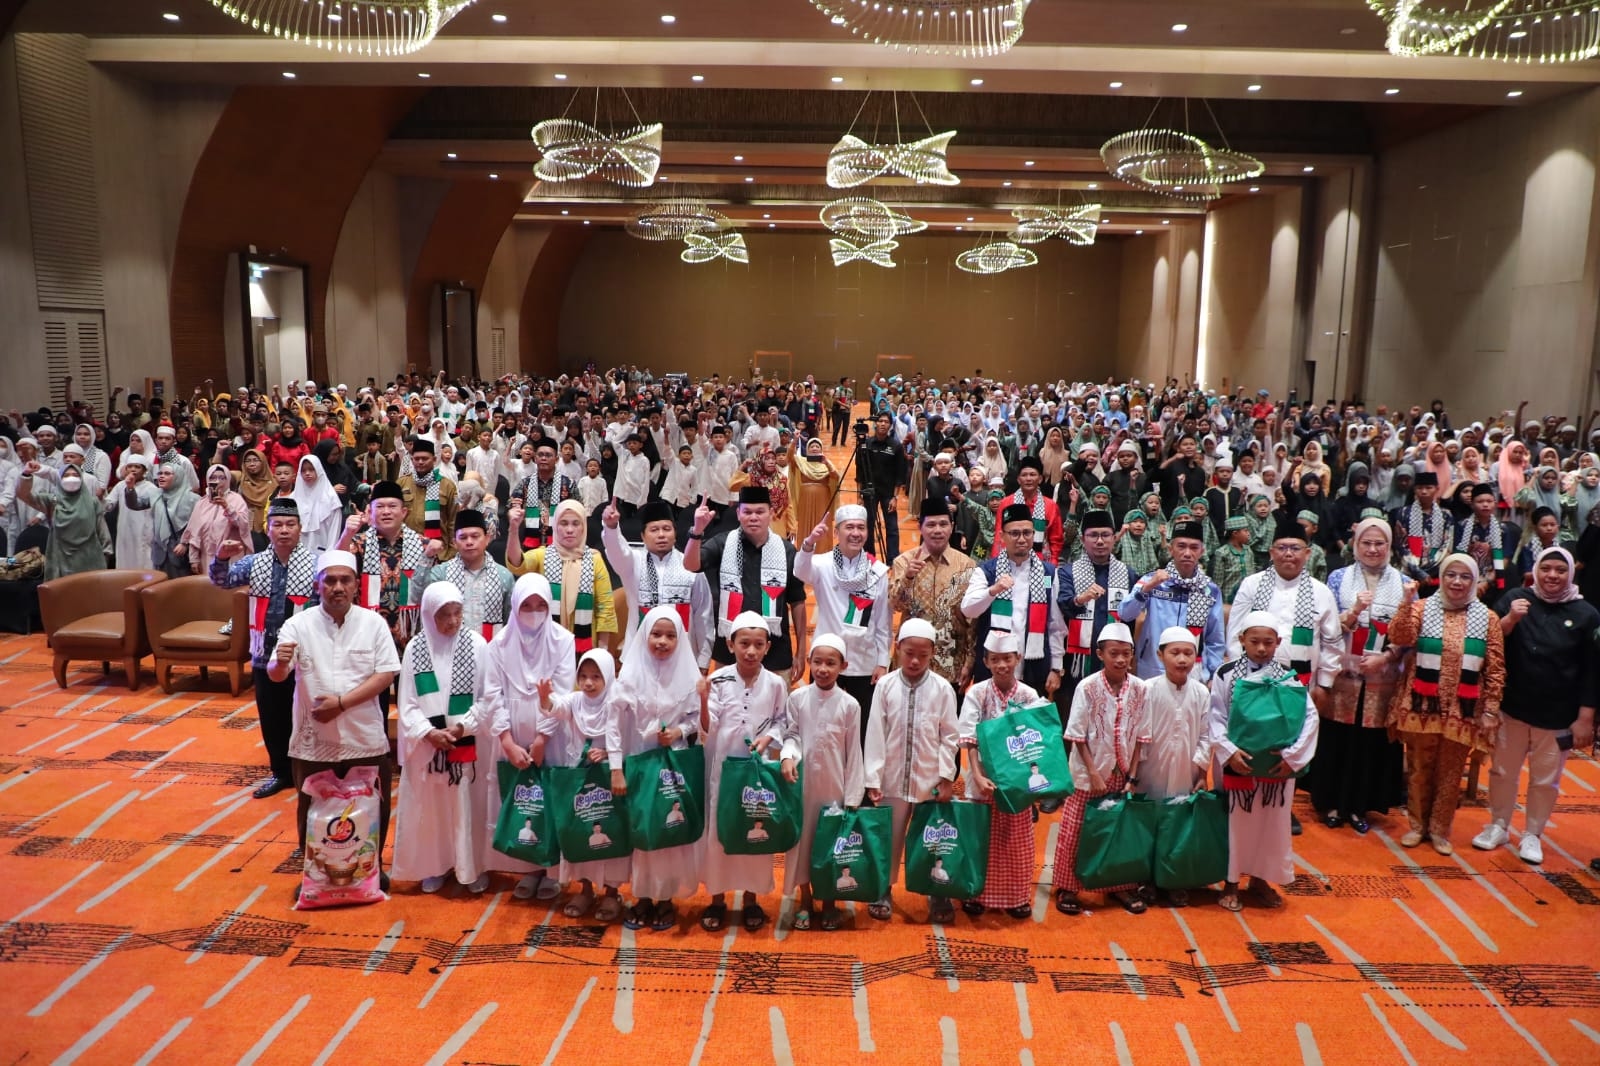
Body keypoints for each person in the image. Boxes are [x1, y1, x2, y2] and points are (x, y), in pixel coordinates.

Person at [267, 549, 401, 897]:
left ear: (357, 585)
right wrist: (279, 664)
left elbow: (386, 673)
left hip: (364, 736)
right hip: (314, 738)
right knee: (312, 806)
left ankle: (372, 870)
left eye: (345, 580)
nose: (337, 587)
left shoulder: (373, 624)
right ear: (318, 585)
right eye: (330, 580)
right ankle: (315, 874)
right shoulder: (298, 624)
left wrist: (341, 704)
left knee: (372, 803)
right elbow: (278, 676)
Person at [1473, 546, 1600, 864]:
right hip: (1511, 707)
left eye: (1560, 570)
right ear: (1536, 570)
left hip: (1558, 714)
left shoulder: (1587, 615)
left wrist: (1585, 718)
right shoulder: (1515, 599)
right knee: (1502, 771)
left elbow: (1593, 671)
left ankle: (1532, 834)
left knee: (1545, 780)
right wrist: (1511, 619)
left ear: (1571, 573)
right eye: (1546, 568)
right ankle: (1498, 825)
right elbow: (1488, 645)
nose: (1552, 575)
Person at [1387, 555, 1505, 854]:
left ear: (1475, 580)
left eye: (1465, 576)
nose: (1457, 582)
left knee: (1450, 772)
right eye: (1451, 575)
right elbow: (1400, 636)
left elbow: (1495, 668)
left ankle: (1440, 830)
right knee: (1418, 768)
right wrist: (1405, 601)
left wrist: (1491, 709)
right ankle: (1417, 827)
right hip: (1421, 706)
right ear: (1442, 576)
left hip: (1463, 710)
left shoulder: (1487, 618)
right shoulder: (1421, 608)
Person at [1210, 612, 1319, 912]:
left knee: (1273, 825)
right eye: (1254, 641)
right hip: (1238, 762)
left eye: (1268, 642)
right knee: (1236, 824)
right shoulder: (1226, 674)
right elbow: (1215, 717)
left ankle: (1261, 880)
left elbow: (1309, 718)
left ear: (1278, 643)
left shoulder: (1289, 677)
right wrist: (1229, 751)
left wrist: (1292, 757)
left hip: (1277, 768)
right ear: (1241, 640)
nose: (1261, 648)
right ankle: (1230, 883)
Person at [211, 498, 319, 799]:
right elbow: (222, 581)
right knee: (272, 718)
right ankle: (280, 773)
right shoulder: (253, 562)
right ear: (267, 528)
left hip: (304, 655)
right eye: (278, 525)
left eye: (290, 524)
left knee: (307, 716)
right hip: (264, 654)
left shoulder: (315, 564)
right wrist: (220, 558)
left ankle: (308, 772)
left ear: (300, 529)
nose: (284, 531)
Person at [610, 607, 707, 933]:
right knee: (643, 830)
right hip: (639, 763)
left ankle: (666, 898)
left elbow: (697, 720)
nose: (662, 642)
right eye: (656, 634)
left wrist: (678, 733)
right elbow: (613, 724)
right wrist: (615, 768)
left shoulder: (689, 676)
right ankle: (644, 897)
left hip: (673, 767)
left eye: (670, 635)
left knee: (671, 831)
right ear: (644, 635)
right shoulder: (630, 676)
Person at [391, 583, 492, 893]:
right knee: (431, 811)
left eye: (457, 613)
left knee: (466, 807)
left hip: (467, 745)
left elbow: (488, 698)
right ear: (428, 615)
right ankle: (433, 866)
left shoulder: (476, 644)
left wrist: (462, 728)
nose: (452, 621)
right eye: (444, 615)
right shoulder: (415, 648)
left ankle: (470, 867)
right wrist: (429, 733)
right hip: (428, 749)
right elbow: (406, 702)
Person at [483, 573, 577, 901]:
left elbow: (564, 690)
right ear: (514, 606)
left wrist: (542, 738)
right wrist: (507, 741)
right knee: (521, 801)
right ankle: (527, 868)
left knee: (550, 801)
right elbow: (491, 695)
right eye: (527, 605)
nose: (535, 611)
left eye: (541, 605)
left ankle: (552, 871)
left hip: (551, 734)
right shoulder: (498, 644)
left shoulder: (563, 640)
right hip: (511, 731)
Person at [862, 618, 961, 923]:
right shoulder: (886, 686)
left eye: (923, 654)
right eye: (909, 653)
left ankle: (936, 891)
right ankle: (883, 888)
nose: (915, 660)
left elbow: (950, 737)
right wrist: (872, 778)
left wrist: (946, 777)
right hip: (892, 778)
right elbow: (876, 732)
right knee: (889, 838)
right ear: (897, 648)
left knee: (933, 838)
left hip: (929, 779)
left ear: (933, 652)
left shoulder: (943, 689)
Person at [1314, 517, 1408, 834]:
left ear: (1389, 546)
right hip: (1343, 675)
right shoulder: (1339, 578)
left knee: (1369, 744)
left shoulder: (1403, 583)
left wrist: (1386, 657)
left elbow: (1411, 633)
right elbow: (1326, 625)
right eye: (1366, 543)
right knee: (1338, 740)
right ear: (1355, 546)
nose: (1372, 549)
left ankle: (1358, 806)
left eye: (1379, 543)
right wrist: (1352, 612)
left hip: (1382, 677)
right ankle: (1332, 802)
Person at [699, 612, 789, 933]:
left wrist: (770, 738)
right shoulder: (718, 680)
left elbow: (782, 721)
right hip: (724, 771)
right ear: (730, 644)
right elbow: (707, 725)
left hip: (756, 773)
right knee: (721, 834)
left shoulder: (777, 683)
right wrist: (702, 702)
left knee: (755, 828)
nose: (750, 651)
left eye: (758, 645)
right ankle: (717, 900)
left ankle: (751, 900)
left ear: (767, 647)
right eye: (744, 644)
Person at [1052, 622, 1150, 916]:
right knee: (1077, 828)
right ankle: (1068, 886)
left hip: (1122, 773)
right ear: (1100, 654)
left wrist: (1132, 775)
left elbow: (1141, 737)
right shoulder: (1088, 686)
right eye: (1113, 653)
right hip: (1089, 773)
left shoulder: (1140, 688)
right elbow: (1077, 734)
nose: (1120, 660)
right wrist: (1093, 773)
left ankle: (1117, 884)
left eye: (1125, 654)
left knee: (1116, 830)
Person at [778, 633, 864, 932]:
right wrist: (787, 757)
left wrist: (853, 797)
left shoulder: (850, 705)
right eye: (817, 662)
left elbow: (853, 753)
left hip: (834, 789)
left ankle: (828, 902)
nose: (823, 669)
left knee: (830, 846)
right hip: (802, 787)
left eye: (830, 663)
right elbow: (790, 735)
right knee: (802, 845)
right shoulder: (798, 698)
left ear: (843, 665)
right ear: (809, 663)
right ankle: (805, 901)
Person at [956, 631, 1041, 920]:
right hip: (984, 778)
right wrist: (977, 777)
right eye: (995, 660)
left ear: (1018, 658)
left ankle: (1017, 897)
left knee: (1016, 840)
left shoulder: (1029, 695)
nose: (1002, 665)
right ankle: (976, 892)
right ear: (986, 661)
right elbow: (967, 738)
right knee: (981, 838)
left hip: (1018, 780)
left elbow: (1036, 741)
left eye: (1007, 658)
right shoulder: (977, 693)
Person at [686, 485, 808, 680]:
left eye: (760, 512)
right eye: (747, 512)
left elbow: (797, 601)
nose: (753, 517)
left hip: (775, 648)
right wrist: (697, 531)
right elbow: (691, 565)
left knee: (775, 710)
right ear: (738, 513)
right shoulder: (723, 543)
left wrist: (801, 651)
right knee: (726, 708)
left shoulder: (787, 551)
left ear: (771, 513)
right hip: (731, 648)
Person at [541, 649, 628, 922]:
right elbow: (555, 708)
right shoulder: (576, 700)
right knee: (580, 831)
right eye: (583, 676)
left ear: (608, 677)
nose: (588, 683)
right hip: (579, 778)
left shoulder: (617, 701)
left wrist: (607, 755)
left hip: (608, 780)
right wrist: (544, 697)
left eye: (595, 677)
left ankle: (613, 893)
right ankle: (586, 889)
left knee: (611, 831)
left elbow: (626, 736)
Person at [796, 504, 892, 731]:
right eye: (849, 527)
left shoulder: (877, 570)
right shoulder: (821, 563)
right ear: (836, 532)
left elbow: (882, 621)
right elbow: (800, 571)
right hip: (826, 660)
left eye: (861, 527)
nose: (856, 533)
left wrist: (882, 661)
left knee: (862, 726)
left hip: (864, 660)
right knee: (820, 724)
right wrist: (809, 543)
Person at [1140, 627, 1214, 906]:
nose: (1182, 659)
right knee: (1149, 824)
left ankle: (1173, 880)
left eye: (1188, 653)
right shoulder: (1147, 689)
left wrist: (1200, 770)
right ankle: (1145, 879)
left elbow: (1207, 735)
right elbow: (1140, 734)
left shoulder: (1201, 693)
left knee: (1177, 826)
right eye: (1175, 653)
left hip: (1186, 770)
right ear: (1160, 655)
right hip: (1151, 772)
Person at [962, 502, 1066, 695]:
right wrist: (993, 590)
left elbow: (1055, 623)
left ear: (1034, 535)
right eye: (1014, 533)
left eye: (1027, 533)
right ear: (1002, 537)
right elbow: (968, 609)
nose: (1021, 539)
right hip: (994, 666)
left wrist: (1055, 668)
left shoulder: (1047, 574)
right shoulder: (987, 571)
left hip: (1034, 666)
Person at [602, 497, 713, 666]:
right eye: (654, 530)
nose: (661, 534)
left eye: (666, 529)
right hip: (638, 657)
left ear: (675, 534)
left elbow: (703, 616)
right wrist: (611, 528)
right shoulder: (632, 563)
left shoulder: (690, 566)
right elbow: (617, 551)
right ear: (643, 536)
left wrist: (703, 661)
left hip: (681, 658)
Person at [508, 498, 618, 657]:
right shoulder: (543, 555)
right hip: (545, 648)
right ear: (555, 526)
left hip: (585, 649)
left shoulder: (595, 559)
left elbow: (605, 609)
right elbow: (517, 563)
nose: (570, 529)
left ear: (583, 527)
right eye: (564, 523)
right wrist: (513, 530)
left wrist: (601, 654)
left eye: (575, 523)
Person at [1119, 519, 1225, 682]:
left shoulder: (1209, 589)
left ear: (1202, 551)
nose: (1187, 553)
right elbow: (1125, 614)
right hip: (1152, 668)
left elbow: (1215, 639)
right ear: (1170, 549)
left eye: (1194, 547)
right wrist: (1147, 588)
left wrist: (1211, 675)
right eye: (1181, 546)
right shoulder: (1151, 580)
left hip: (1193, 672)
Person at [889, 497, 979, 689]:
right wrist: (908, 578)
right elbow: (895, 606)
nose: (937, 530)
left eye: (943, 524)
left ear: (952, 526)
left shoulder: (967, 565)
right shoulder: (903, 562)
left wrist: (970, 661)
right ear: (921, 528)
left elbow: (972, 620)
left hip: (952, 663)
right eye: (931, 525)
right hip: (911, 662)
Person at [1050, 509, 1131, 697]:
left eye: (1105, 535)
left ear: (1114, 537)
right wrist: (1081, 598)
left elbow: (1132, 618)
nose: (1100, 541)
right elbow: (1062, 606)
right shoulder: (1067, 572)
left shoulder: (1127, 573)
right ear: (1082, 538)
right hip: (1077, 662)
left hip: (1116, 660)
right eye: (1093, 535)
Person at [15, 460, 107, 578]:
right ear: (59, 479)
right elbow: (24, 495)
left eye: (75, 475)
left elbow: (103, 532)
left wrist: (106, 555)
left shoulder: (93, 502)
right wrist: (26, 474)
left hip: (89, 560)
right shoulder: (52, 501)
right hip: (61, 559)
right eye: (66, 475)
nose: (71, 479)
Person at [991, 456, 1064, 564]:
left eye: (1032, 474)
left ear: (1040, 479)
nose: (1028, 478)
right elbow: (999, 535)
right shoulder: (1006, 503)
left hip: (1043, 562)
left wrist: (1052, 565)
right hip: (1010, 560)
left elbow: (1056, 540)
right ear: (1018, 480)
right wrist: (996, 562)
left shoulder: (1051, 506)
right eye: (1024, 475)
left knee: (1048, 581)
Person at [179, 464, 250, 575]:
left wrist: (226, 506)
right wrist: (194, 559)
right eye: (213, 478)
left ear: (228, 479)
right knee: (209, 589)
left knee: (228, 588)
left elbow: (243, 525)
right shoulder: (201, 503)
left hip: (231, 556)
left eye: (222, 478)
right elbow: (194, 532)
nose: (217, 481)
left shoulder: (236, 499)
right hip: (206, 556)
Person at [508, 439, 574, 553]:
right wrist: (514, 511)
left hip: (562, 544)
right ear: (535, 458)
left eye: (548, 455)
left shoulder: (568, 484)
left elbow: (578, 511)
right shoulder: (525, 483)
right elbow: (511, 505)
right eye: (540, 455)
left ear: (557, 459)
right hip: (530, 543)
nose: (544, 458)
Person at [1453, 483, 1518, 595]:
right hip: (1466, 579)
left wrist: (1487, 581)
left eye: (1489, 501)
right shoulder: (1462, 526)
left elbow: (1505, 558)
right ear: (1472, 504)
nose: (1485, 505)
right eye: (1480, 502)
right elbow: (1457, 556)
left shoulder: (1503, 529)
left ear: (1495, 504)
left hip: (1493, 580)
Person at [859, 412, 907, 561]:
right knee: (868, 525)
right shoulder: (866, 444)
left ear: (890, 425)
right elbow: (860, 471)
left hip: (888, 493)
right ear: (875, 423)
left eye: (886, 422)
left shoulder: (896, 446)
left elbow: (900, 473)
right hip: (869, 492)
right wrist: (859, 496)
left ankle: (892, 558)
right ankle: (869, 557)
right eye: (880, 421)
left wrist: (895, 497)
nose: (882, 424)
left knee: (892, 527)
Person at [1394, 470, 1450, 590]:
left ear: (1437, 489)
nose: (1424, 491)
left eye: (1428, 487)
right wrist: (1417, 571)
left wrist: (1430, 569)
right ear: (1414, 489)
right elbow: (1401, 546)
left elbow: (1447, 545)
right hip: (1409, 573)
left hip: (1436, 574)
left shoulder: (1446, 515)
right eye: (1420, 488)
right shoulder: (1404, 513)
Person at [400, 438, 458, 553]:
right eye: (417, 459)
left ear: (434, 460)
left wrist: (451, 552)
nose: (420, 462)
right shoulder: (402, 483)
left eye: (425, 458)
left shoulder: (447, 486)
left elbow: (453, 521)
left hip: (439, 551)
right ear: (412, 460)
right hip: (407, 550)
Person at [104, 456, 159, 567]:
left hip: (143, 529)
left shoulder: (151, 488)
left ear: (144, 471)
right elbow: (108, 504)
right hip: (124, 529)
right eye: (130, 466)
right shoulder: (121, 485)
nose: (133, 469)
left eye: (137, 467)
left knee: (142, 558)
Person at [788, 437, 840, 553]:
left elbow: (836, 477)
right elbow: (789, 458)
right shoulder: (801, 462)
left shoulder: (826, 463)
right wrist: (794, 441)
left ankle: (823, 553)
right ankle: (805, 554)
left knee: (822, 525)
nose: (815, 448)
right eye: (812, 446)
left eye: (817, 446)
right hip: (805, 499)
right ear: (807, 449)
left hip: (823, 500)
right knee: (805, 526)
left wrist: (826, 463)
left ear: (821, 449)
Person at [290, 453, 343, 554]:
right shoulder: (293, 498)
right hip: (296, 554)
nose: (307, 473)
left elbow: (334, 531)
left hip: (322, 553)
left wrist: (329, 556)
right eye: (303, 470)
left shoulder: (331, 498)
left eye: (311, 469)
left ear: (318, 469)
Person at [1210, 514, 1255, 609]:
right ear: (1235, 533)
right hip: (1229, 600)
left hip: (1248, 597)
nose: (1248, 534)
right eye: (1245, 530)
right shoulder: (1222, 553)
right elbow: (1217, 582)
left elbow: (1252, 575)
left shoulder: (1248, 551)